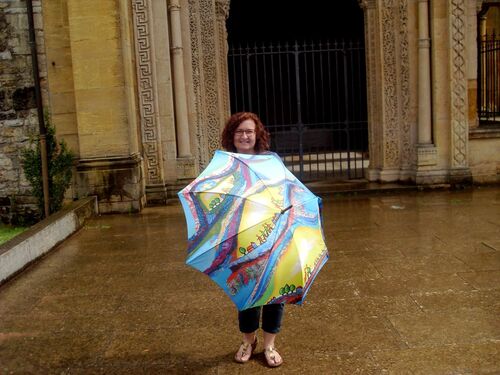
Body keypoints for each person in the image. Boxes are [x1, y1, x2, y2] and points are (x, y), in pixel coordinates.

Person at [221, 112, 284, 367]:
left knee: (274, 290)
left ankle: (269, 345)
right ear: (232, 136)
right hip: (240, 236)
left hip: (271, 233)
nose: (245, 136)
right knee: (246, 290)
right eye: (239, 132)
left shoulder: (271, 161)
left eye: (249, 131)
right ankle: (248, 340)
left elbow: (283, 192)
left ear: (257, 135)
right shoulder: (225, 163)